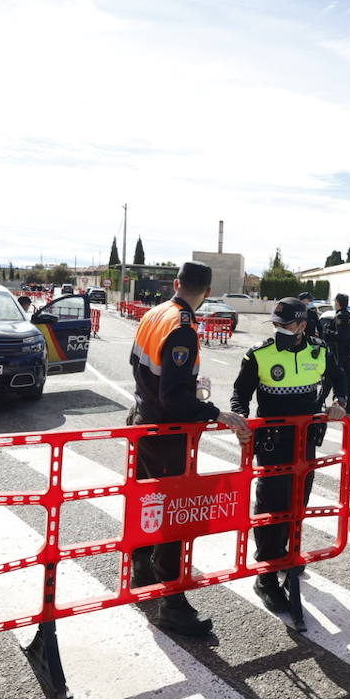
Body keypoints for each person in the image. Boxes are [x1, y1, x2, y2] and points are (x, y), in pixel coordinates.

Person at [127, 261, 251, 637]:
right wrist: (215, 413)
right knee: (173, 514)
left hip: (143, 421)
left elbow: (138, 365)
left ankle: (142, 569)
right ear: (208, 292)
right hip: (167, 431)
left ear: (177, 284)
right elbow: (175, 396)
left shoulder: (154, 314)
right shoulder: (183, 327)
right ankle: (173, 603)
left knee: (147, 501)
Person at [231, 297, 346, 617]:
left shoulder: (320, 352)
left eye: (287, 325)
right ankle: (266, 574)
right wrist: (241, 419)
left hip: (305, 443)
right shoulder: (259, 355)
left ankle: (286, 554)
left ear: (303, 326)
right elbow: (240, 394)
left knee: (298, 503)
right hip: (272, 444)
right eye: (276, 325)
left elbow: (341, 379)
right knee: (270, 506)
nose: (280, 330)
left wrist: (339, 401)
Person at [323, 293, 350, 413]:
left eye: (335, 302)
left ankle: (320, 402)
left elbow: (341, 336)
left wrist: (327, 332)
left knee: (330, 378)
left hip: (339, 353)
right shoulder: (348, 315)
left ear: (338, 303)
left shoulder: (341, 316)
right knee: (346, 379)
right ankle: (349, 405)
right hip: (345, 352)